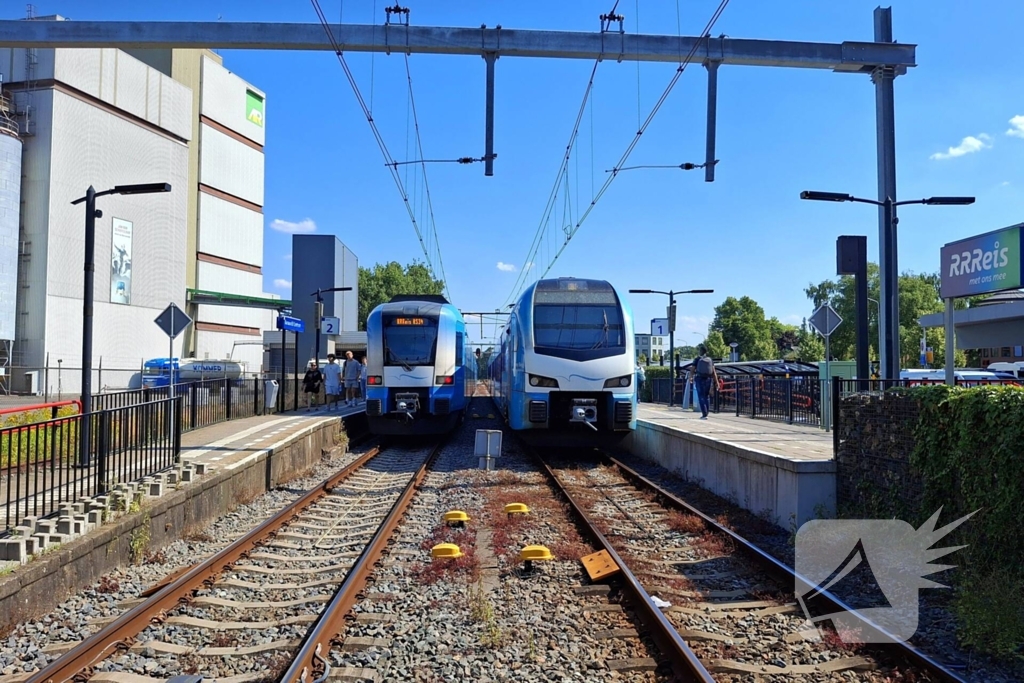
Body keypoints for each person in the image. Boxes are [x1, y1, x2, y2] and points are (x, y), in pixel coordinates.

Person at [691, 345, 719, 420]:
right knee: (707, 396)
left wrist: (690, 377)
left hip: (699, 379)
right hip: (709, 379)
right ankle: (707, 413)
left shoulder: (697, 359)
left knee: (701, 396)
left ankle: (704, 414)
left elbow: (692, 369)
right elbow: (714, 372)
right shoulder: (710, 359)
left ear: (700, 351)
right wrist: (716, 382)